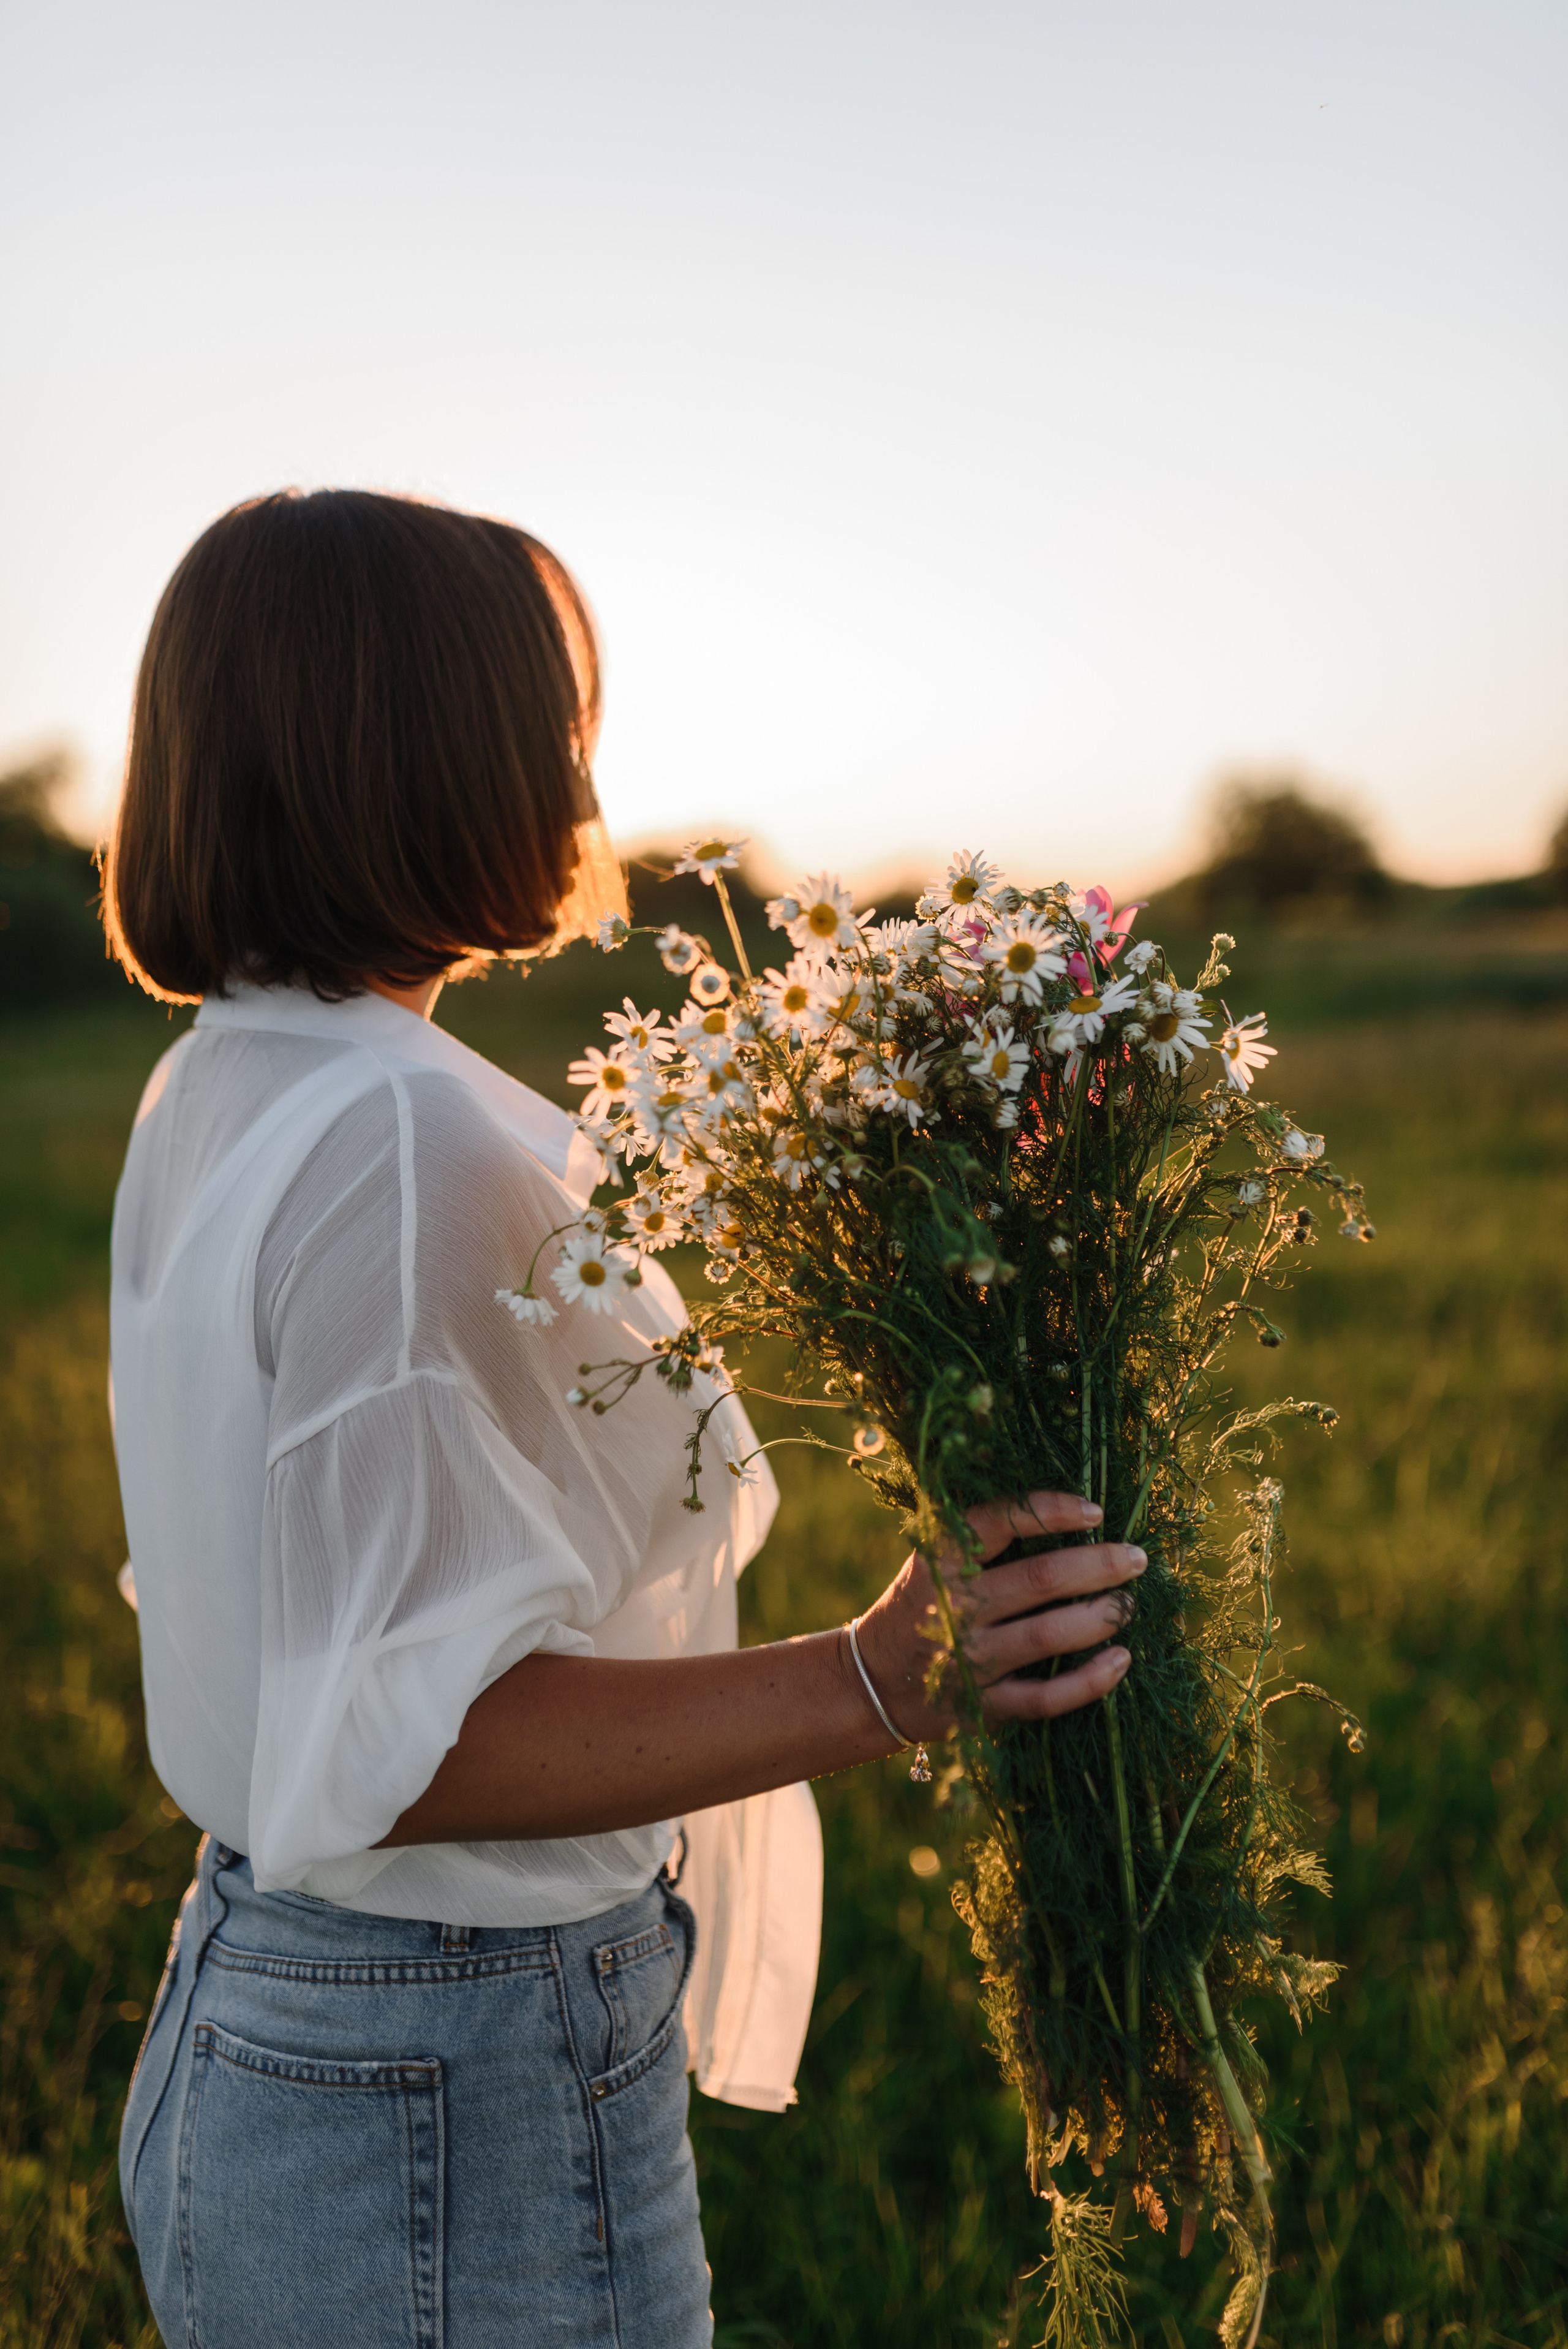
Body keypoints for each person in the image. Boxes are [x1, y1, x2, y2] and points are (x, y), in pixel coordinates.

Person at [104, 488, 1143, 2349]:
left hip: (274, 2012)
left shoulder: (228, 1079)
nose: (581, 777)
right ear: (428, 751)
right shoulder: (401, 1141)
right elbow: (409, 1747)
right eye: (550, 719)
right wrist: (882, 1676)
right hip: (444, 2074)